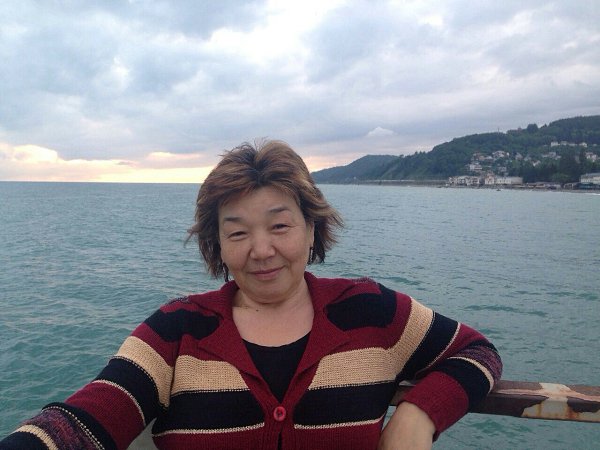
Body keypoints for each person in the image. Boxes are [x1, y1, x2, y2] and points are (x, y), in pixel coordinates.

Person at [1, 140, 502, 450]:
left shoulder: (369, 311)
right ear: (217, 244)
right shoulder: (176, 330)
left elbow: (476, 352)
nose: (261, 250)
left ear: (311, 228)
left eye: (279, 226)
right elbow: (92, 416)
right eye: (237, 232)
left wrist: (417, 415)